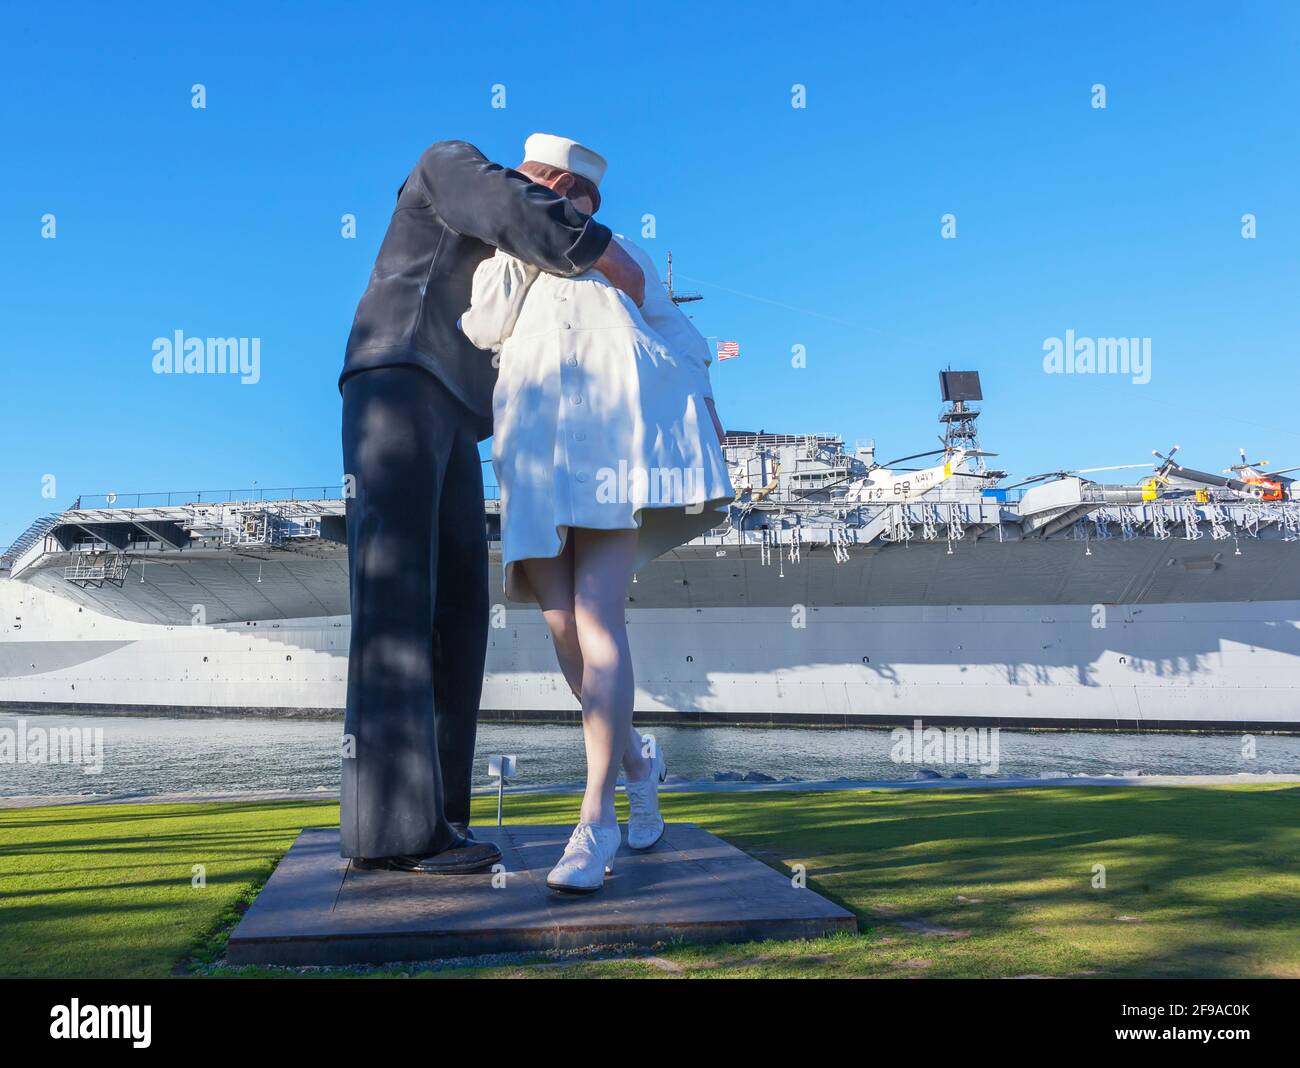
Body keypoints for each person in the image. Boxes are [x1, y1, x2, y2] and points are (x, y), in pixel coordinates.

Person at [338, 139, 647, 874]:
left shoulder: (513, 260)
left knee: (459, 615)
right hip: (398, 377)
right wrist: (611, 255)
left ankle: (442, 819)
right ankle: (392, 833)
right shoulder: (448, 163)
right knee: (397, 605)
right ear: (552, 181)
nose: (575, 218)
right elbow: (517, 210)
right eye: (575, 204)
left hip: (456, 411)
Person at [462, 133, 733, 893]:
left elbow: (684, 340)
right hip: (537, 453)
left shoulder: (624, 257)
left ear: (561, 187)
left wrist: (706, 411)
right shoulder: (512, 259)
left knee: (596, 619)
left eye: (534, 186)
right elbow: (483, 326)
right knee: (562, 632)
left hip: (613, 453)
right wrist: (520, 244)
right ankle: (640, 766)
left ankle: (595, 820)